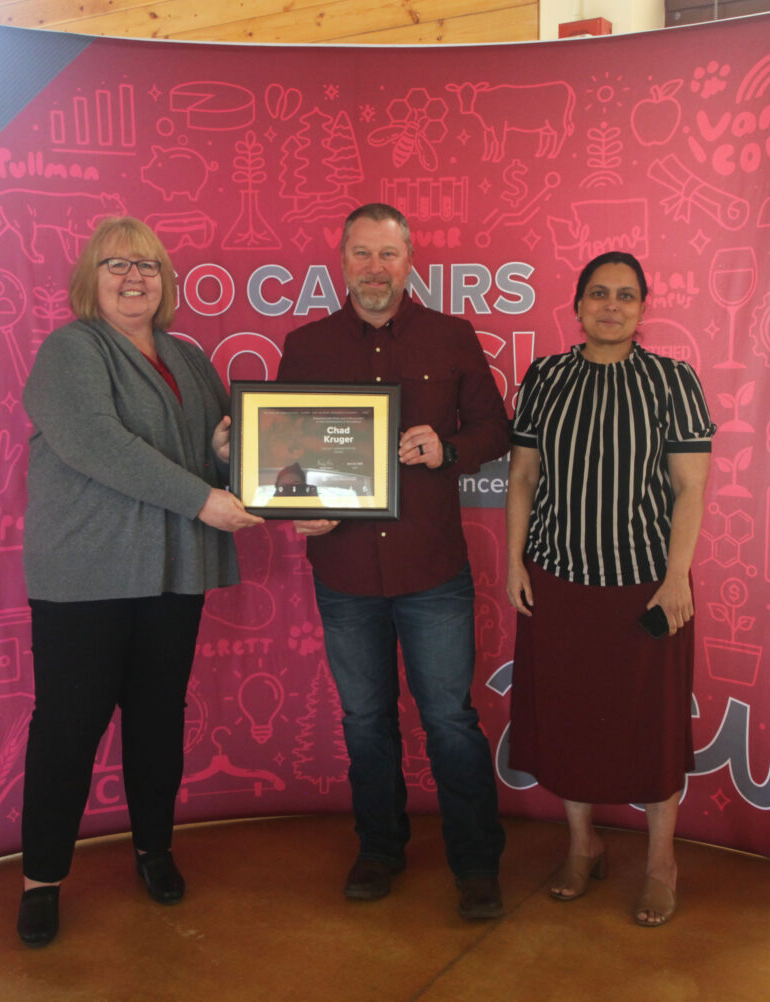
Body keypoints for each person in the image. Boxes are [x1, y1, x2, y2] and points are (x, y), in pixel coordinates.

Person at [16, 216, 263, 947]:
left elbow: (212, 455)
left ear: (167, 280)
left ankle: (154, 850)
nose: (135, 278)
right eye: (117, 265)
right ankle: (41, 880)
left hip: (172, 571)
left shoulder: (188, 359)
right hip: (86, 572)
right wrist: (205, 499)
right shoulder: (70, 349)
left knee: (157, 720)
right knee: (69, 728)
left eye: (149, 266)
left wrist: (223, 453)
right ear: (90, 280)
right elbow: (96, 443)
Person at [277, 203, 509, 920]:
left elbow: (496, 429)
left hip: (432, 569)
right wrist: (293, 505)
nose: (375, 268)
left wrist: (450, 449)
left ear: (410, 263)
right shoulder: (306, 345)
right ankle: (379, 849)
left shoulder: (453, 336)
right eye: (362, 254)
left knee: (448, 719)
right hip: (344, 571)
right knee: (366, 721)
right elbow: (282, 453)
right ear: (340, 260)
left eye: (388, 255)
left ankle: (476, 864)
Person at [504, 250, 715, 927]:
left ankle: (660, 863)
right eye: (599, 294)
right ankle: (582, 844)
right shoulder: (546, 377)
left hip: (647, 590)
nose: (612, 306)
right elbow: (523, 480)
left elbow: (691, 488)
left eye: (626, 296)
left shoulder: (672, 381)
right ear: (577, 307)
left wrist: (676, 576)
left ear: (644, 309)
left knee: (649, 728)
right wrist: (514, 564)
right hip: (559, 582)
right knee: (568, 718)